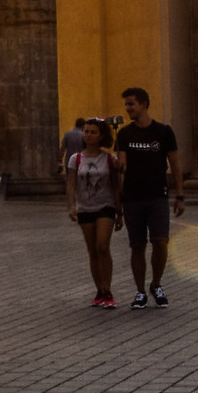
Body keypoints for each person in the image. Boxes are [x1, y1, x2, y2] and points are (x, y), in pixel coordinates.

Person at [115, 86, 183, 309]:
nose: (128, 108)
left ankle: (156, 284)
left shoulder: (163, 132)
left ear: (143, 104)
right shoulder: (124, 134)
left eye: (131, 104)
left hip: (157, 196)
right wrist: (118, 201)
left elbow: (175, 163)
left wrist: (180, 195)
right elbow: (122, 167)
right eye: (126, 104)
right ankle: (140, 291)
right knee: (137, 246)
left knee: (160, 242)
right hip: (132, 197)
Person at [65, 115, 120, 308]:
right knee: (92, 250)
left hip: (106, 206)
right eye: (86, 131)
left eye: (93, 132)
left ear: (101, 135)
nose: (88, 135)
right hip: (85, 208)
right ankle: (99, 290)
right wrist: (71, 206)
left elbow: (116, 185)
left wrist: (120, 211)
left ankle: (108, 289)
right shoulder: (76, 159)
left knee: (102, 246)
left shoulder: (109, 159)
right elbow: (71, 184)